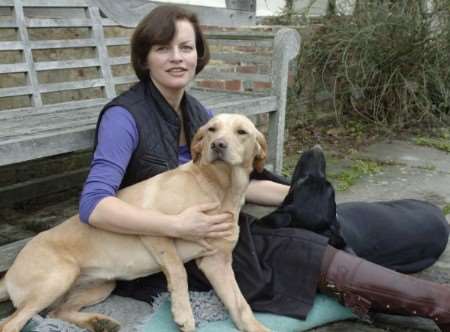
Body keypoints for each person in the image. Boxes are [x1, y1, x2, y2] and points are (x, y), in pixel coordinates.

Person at [79, 4, 450, 330]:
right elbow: (93, 205)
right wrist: (176, 224)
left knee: (341, 226)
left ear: (198, 56)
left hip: (216, 226)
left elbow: (236, 183)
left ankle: (402, 255)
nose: (177, 57)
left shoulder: (199, 116)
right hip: (161, 250)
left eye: (186, 47)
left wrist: (298, 195)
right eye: (163, 49)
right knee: (294, 249)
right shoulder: (124, 118)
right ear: (145, 59)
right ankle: (438, 304)